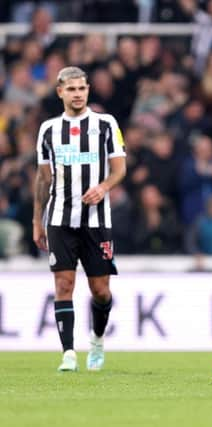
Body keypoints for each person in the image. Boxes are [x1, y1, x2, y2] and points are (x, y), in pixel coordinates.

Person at [32, 66, 127, 372]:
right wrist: (37, 220)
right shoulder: (48, 130)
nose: (77, 94)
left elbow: (119, 169)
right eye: (71, 89)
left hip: (97, 221)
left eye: (82, 88)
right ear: (60, 91)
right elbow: (43, 179)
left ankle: (97, 340)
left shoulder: (106, 124)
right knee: (64, 283)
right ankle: (68, 354)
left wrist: (104, 187)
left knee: (100, 290)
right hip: (59, 219)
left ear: (88, 90)